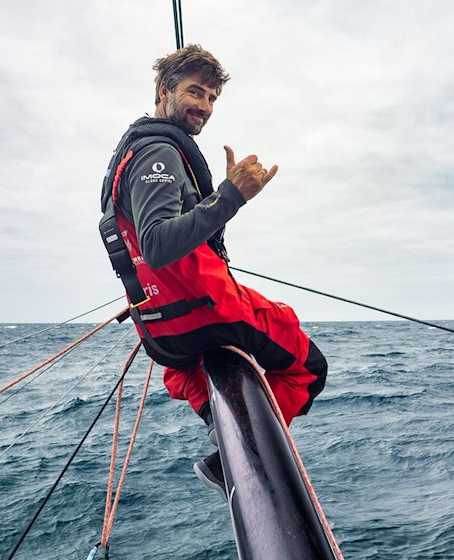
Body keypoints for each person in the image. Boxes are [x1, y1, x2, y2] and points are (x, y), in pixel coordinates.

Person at [97, 45, 328, 498]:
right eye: (194, 92)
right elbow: (159, 244)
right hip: (203, 311)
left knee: (184, 372)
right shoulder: (158, 154)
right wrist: (231, 196)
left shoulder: (134, 151)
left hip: (160, 332)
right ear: (163, 91)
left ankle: (222, 433)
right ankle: (241, 457)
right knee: (309, 367)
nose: (204, 106)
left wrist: (218, 201)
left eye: (212, 98)